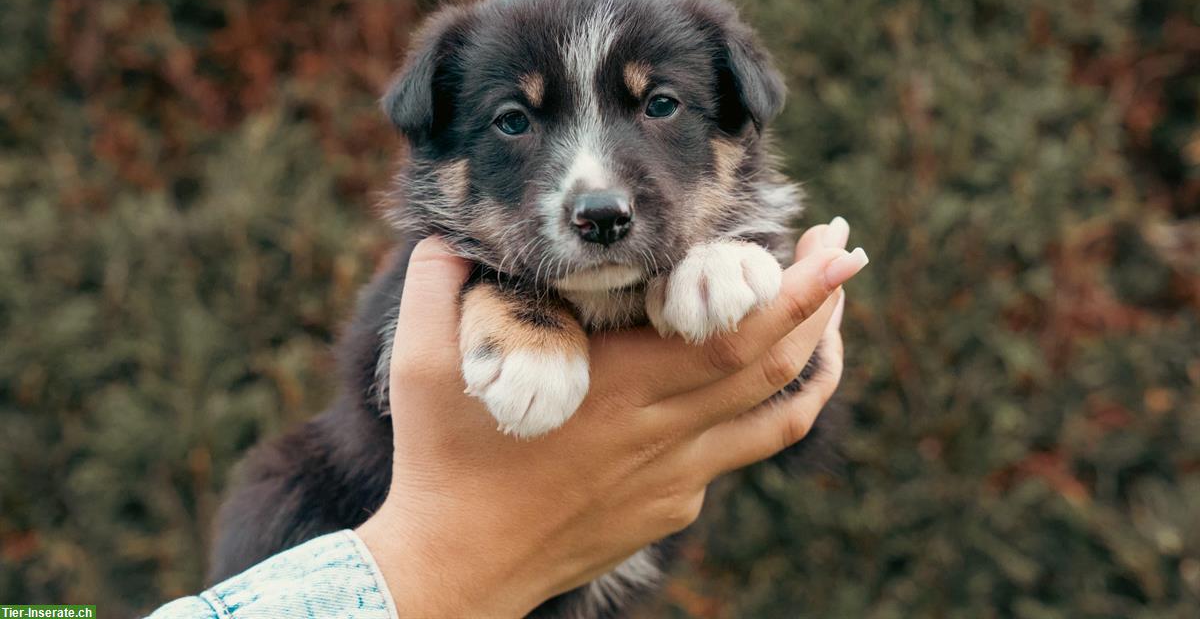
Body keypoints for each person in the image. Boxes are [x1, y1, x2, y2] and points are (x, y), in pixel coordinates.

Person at [149, 220, 866, 618]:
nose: (597, 183)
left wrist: (734, 279)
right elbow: (383, 375)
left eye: (660, 107)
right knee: (272, 493)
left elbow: (791, 412)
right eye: (516, 122)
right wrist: (512, 304)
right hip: (350, 528)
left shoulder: (717, 236)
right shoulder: (450, 263)